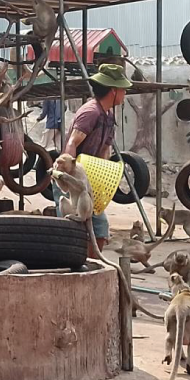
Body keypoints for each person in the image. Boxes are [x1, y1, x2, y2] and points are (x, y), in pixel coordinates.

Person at [61, 63, 132, 255]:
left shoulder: (108, 114)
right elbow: (72, 143)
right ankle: (77, 267)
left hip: (90, 176)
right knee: (75, 226)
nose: (125, 93)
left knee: (98, 227)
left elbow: (105, 150)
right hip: (71, 176)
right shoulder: (90, 112)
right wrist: (68, 173)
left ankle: (92, 266)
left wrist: (103, 177)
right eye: (123, 90)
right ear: (113, 90)